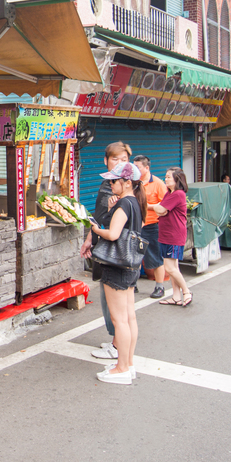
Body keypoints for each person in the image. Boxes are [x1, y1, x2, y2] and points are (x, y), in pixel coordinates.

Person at [81, 161, 147, 385]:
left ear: (127, 183)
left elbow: (113, 234)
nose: (110, 184)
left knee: (120, 321)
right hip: (130, 265)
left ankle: (121, 369)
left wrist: (96, 228)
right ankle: (127, 365)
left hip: (116, 266)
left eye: (114, 181)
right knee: (129, 318)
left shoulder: (123, 205)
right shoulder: (134, 203)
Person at [84, 141, 132, 362]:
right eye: (116, 159)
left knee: (115, 305)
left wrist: (96, 235)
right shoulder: (109, 185)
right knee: (118, 306)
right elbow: (100, 217)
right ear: (106, 160)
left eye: (124, 160)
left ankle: (117, 347)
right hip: (112, 251)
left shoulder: (124, 192)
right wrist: (89, 238)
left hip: (116, 254)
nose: (120, 163)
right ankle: (117, 344)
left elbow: (111, 230)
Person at [151, 167, 192, 307]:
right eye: (166, 176)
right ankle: (176, 296)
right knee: (174, 267)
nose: (165, 179)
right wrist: (156, 207)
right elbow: (161, 210)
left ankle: (186, 291)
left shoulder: (178, 194)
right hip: (166, 234)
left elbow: (162, 210)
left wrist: (156, 207)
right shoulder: (169, 193)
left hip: (174, 235)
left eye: (168, 177)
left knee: (169, 268)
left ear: (177, 179)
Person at [134, 155, 168, 299]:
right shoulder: (134, 182)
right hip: (135, 225)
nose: (135, 169)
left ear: (147, 168)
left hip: (152, 226)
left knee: (155, 257)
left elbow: (165, 206)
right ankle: (132, 284)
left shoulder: (158, 184)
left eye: (138, 167)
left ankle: (160, 287)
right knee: (134, 256)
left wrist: (146, 207)